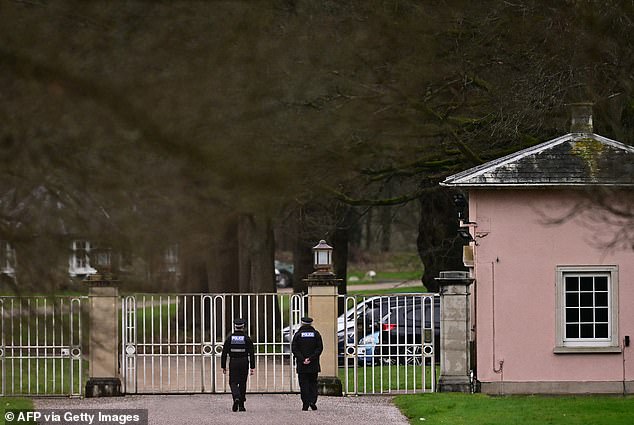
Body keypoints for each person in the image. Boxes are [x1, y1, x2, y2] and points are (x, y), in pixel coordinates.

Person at [221, 318, 255, 412]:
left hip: (234, 362)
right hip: (244, 362)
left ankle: (236, 397)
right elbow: (252, 353)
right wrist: (252, 367)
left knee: (233, 382)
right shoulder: (247, 338)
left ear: (235, 326)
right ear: (243, 327)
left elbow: (224, 353)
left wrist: (223, 366)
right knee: (243, 383)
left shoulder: (230, 338)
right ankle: (241, 406)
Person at [291, 316, 323, 411]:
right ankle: (312, 401)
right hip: (313, 364)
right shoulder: (316, 334)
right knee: (313, 383)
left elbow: (294, 349)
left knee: (303, 384)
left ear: (302, 323)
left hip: (302, 364)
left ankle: (305, 403)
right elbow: (319, 348)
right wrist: (311, 358)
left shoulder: (298, 335)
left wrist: (302, 359)